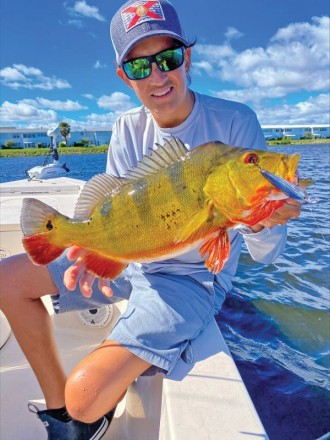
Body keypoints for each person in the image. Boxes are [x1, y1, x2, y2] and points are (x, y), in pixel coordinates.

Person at [0, 1, 302, 439]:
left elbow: (266, 254)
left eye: (169, 58)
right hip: (132, 255)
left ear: (188, 57)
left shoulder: (236, 123)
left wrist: (263, 219)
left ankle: (87, 411)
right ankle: (59, 413)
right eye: (140, 66)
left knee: (86, 394)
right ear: (125, 76)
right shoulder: (126, 128)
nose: (158, 76)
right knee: (7, 279)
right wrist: (95, 252)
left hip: (191, 280)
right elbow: (115, 210)